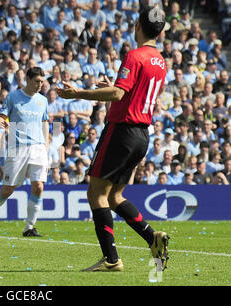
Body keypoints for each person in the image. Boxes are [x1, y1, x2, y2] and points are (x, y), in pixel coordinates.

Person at [56, 6, 170, 272]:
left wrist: (78, 94)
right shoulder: (160, 60)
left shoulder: (134, 55)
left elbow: (119, 95)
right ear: (161, 31)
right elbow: (131, 92)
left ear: (138, 26)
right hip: (142, 135)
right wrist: (113, 86)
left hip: (121, 131)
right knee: (115, 196)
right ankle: (153, 237)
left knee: (96, 193)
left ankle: (111, 259)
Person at [0, 67, 49, 237]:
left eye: (42, 81)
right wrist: (3, 124)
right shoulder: (13, 97)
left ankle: (29, 227)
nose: (40, 85)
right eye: (37, 81)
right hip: (18, 148)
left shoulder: (42, 100)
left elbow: (45, 122)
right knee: (8, 189)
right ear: (28, 80)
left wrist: (45, 145)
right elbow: (1, 117)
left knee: (38, 186)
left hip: (38, 147)